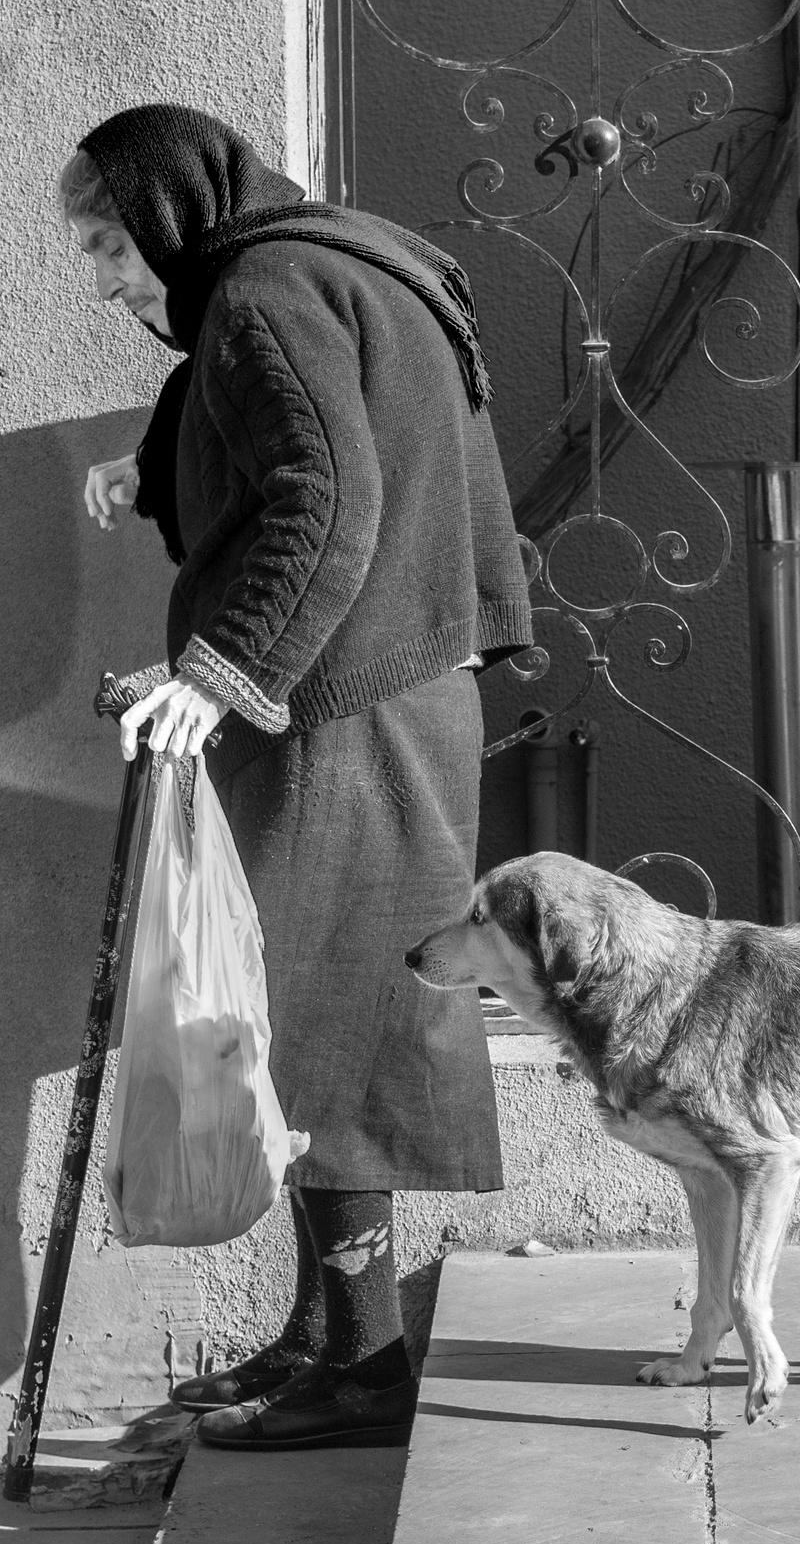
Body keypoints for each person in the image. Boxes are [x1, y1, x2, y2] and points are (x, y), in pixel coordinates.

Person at [61, 104, 532, 1449]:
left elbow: (328, 495)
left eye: (107, 248)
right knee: (314, 1025)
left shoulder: (263, 293)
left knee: (333, 1035)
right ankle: (324, 1335)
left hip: (349, 717)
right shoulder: (326, 258)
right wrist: (158, 459)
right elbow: (300, 414)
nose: (106, 282)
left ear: (165, 215)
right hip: (387, 695)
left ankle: (365, 1368)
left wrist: (215, 677)